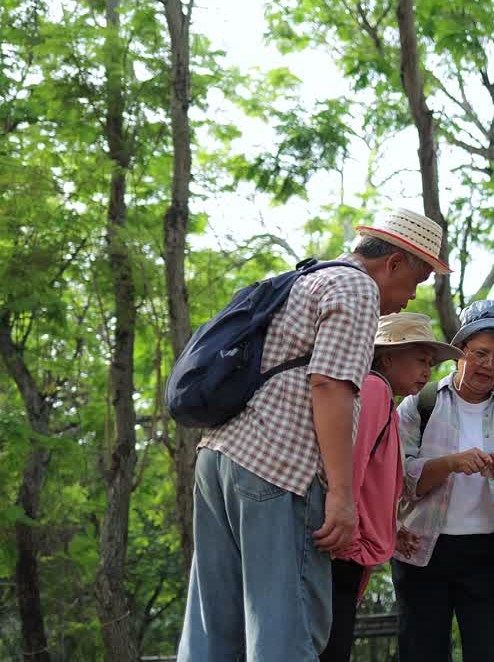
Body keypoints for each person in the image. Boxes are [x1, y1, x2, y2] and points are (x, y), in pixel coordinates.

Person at [177, 209, 450, 662]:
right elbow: (330, 386)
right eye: (416, 280)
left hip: (219, 457)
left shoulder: (308, 277)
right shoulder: (358, 286)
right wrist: (342, 496)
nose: (410, 296)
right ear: (394, 263)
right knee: (286, 631)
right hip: (278, 469)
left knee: (214, 632)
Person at [391, 300, 494, 662]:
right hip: (421, 550)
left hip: (490, 553)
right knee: (421, 653)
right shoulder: (418, 404)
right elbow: (397, 480)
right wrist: (449, 464)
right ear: (460, 352)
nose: (488, 365)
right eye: (480, 353)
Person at [321, 312, 462, 662]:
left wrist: (391, 528)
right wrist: (347, 530)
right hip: (342, 548)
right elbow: (351, 465)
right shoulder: (374, 389)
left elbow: (373, 479)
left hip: (350, 544)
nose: (427, 371)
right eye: (419, 360)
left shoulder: (384, 398)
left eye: (430, 363)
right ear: (388, 357)